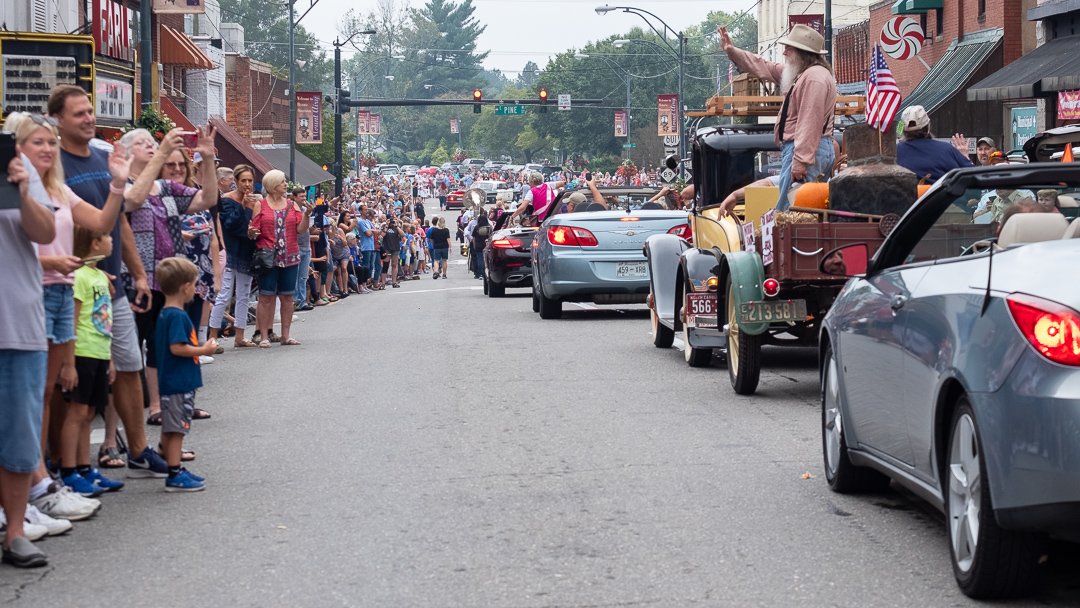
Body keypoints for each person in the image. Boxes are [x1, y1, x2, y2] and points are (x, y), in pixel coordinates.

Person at [50, 85, 168, 495]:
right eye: (78, 113)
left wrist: (136, 272)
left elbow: (119, 219)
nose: (87, 118)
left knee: (128, 367)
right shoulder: (54, 165)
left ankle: (137, 450)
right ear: (59, 120)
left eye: (89, 111)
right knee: (71, 383)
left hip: (112, 283)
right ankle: (62, 466)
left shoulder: (105, 158)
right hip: (73, 284)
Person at [122, 126, 218, 425]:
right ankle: (149, 408)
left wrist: (208, 158)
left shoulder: (165, 188)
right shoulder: (122, 183)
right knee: (133, 347)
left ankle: (169, 405)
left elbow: (207, 199)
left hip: (168, 279)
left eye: (153, 142)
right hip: (133, 278)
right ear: (126, 153)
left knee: (164, 343)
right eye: (142, 143)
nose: (151, 145)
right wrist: (163, 152)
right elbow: (132, 201)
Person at [1, 131, 59, 569]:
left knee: (19, 436)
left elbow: (44, 231)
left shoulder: (16, 166)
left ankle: (16, 531)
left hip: (17, 323)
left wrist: (22, 187)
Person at [718, 24, 837, 210]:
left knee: (790, 210)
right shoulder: (805, 74)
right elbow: (763, 66)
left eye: (789, 48)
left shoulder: (813, 78)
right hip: (807, 149)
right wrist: (733, 52)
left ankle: (789, 238)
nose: (785, 52)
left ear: (801, 52)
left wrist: (801, 160)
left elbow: (809, 121)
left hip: (805, 150)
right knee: (796, 207)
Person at [59, 227, 124, 496]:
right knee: (77, 412)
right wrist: (68, 363)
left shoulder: (99, 275)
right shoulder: (79, 277)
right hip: (82, 352)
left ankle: (85, 469)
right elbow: (72, 320)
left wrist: (109, 359)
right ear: (95, 243)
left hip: (99, 351)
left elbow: (105, 321)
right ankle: (69, 471)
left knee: (87, 413)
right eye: (108, 237)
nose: (112, 241)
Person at [153, 257, 214, 492]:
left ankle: (171, 464)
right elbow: (177, 347)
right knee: (178, 427)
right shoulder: (177, 316)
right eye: (194, 284)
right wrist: (203, 349)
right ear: (185, 287)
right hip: (177, 382)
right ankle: (175, 472)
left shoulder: (166, 313)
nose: (195, 289)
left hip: (172, 380)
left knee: (171, 427)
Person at [248, 169, 310, 347]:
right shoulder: (261, 205)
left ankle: (286, 335)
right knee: (266, 296)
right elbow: (253, 231)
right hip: (268, 256)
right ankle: (264, 336)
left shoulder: (292, 204)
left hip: (290, 255)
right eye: (282, 181)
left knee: (287, 297)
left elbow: (300, 229)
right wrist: (251, 232)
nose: (286, 184)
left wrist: (307, 215)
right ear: (273, 185)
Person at [211, 165, 258, 345]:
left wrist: (253, 231)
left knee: (244, 295)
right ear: (236, 182)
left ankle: (240, 336)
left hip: (246, 252)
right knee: (223, 295)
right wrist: (244, 206)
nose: (247, 184)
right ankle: (212, 337)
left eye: (250, 181)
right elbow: (230, 225)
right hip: (230, 251)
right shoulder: (227, 200)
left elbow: (251, 225)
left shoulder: (255, 201)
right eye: (243, 180)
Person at [895, 106, 973, 182]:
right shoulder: (946, 150)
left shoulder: (893, 153)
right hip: (939, 195)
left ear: (903, 130)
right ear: (928, 127)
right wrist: (965, 157)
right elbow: (973, 177)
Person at [381, 219, 404, 288]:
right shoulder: (385, 227)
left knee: (394, 264)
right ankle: (383, 283)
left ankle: (394, 282)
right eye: (391, 222)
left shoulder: (396, 228)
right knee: (386, 265)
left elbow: (402, 234)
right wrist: (386, 226)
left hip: (395, 248)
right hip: (387, 248)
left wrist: (396, 226)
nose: (392, 223)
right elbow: (382, 235)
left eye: (392, 222)